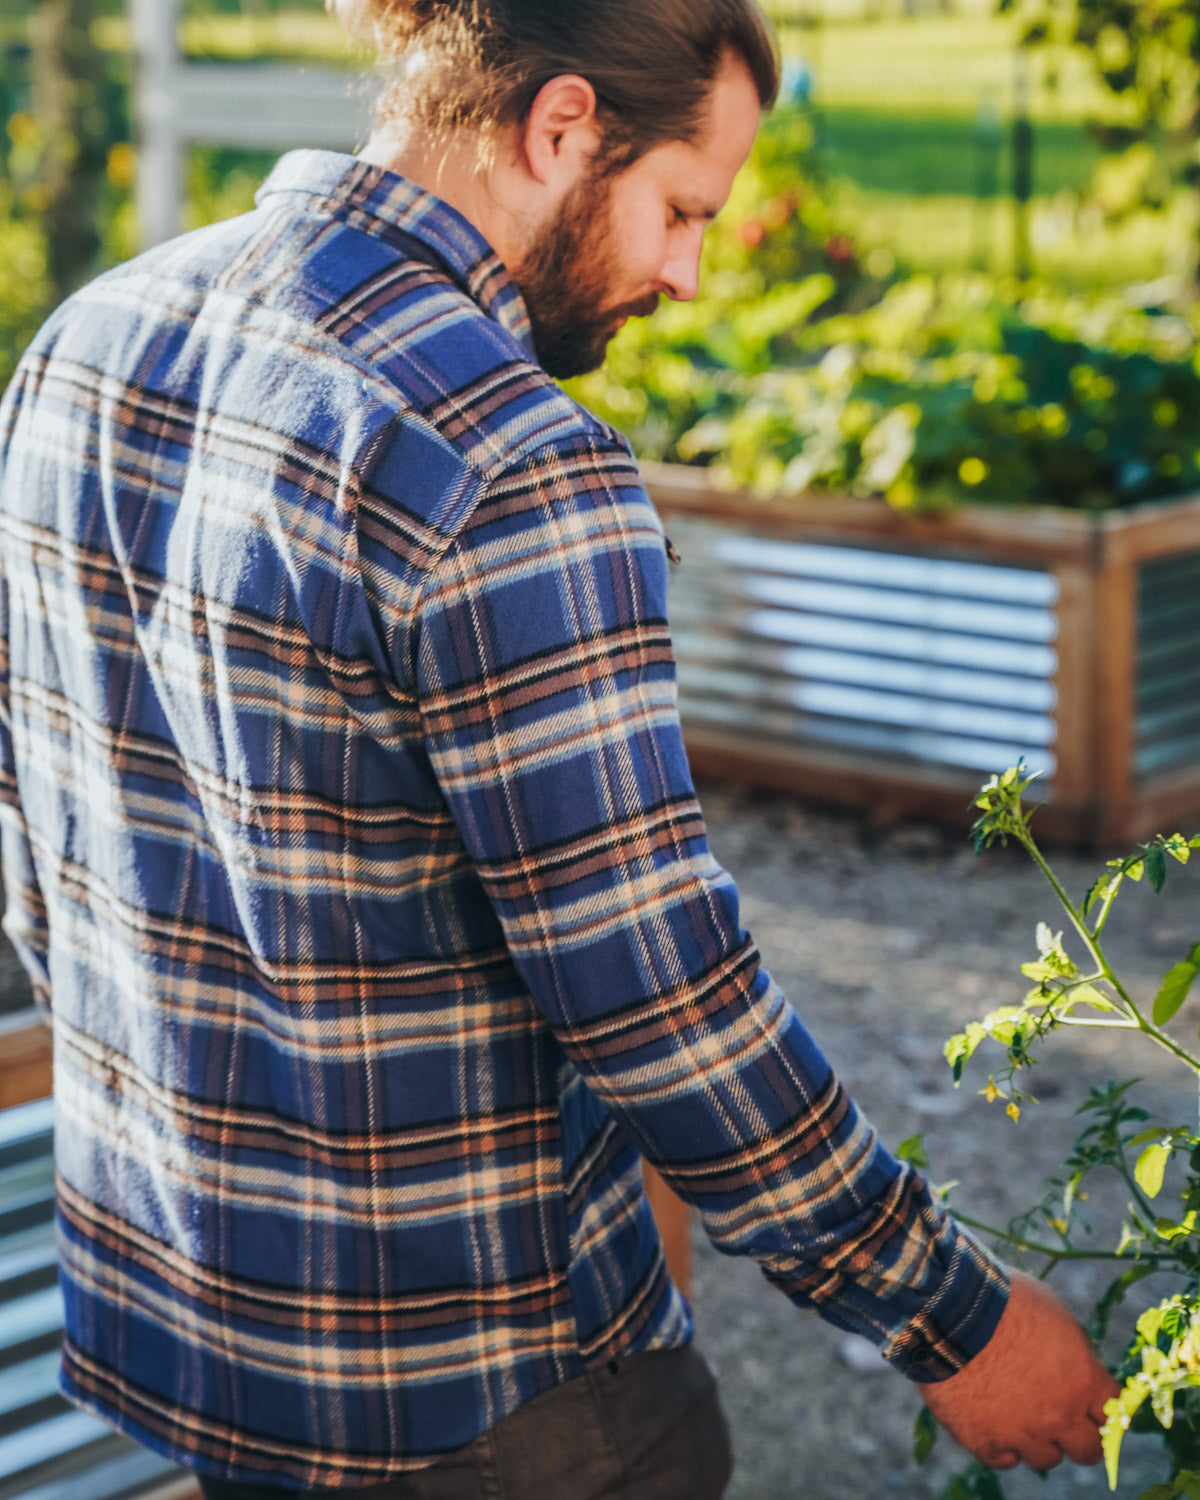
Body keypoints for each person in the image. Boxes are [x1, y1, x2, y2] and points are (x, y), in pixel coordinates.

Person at [0, 1, 1117, 1495]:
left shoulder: (87, 344)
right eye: (680, 210)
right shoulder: (513, 461)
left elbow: (42, 863)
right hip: (490, 1410)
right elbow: (659, 989)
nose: (687, 272)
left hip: (195, 1354)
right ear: (562, 127)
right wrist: (957, 1321)